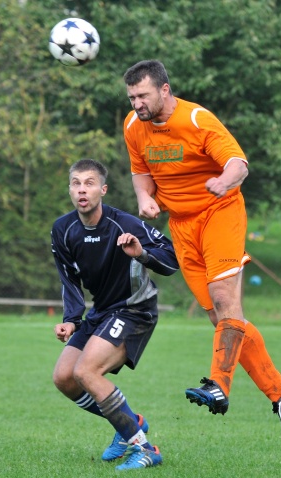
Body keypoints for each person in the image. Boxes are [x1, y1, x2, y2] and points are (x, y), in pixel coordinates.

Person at [122, 59, 281, 440]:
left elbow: (239, 164)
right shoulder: (133, 126)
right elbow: (141, 172)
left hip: (220, 212)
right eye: (132, 97)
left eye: (143, 96)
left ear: (165, 90)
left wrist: (223, 181)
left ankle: (219, 385)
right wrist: (145, 198)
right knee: (222, 318)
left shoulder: (197, 120)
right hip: (182, 226)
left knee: (225, 298)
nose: (137, 104)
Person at [50, 159, 179, 470]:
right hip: (101, 311)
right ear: (70, 190)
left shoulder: (125, 224)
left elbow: (171, 258)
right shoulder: (63, 229)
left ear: (103, 190)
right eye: (76, 183)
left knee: (86, 372)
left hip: (135, 310)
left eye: (89, 183)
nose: (82, 190)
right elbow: (69, 279)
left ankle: (145, 449)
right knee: (65, 378)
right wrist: (71, 320)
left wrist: (142, 253)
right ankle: (129, 424)